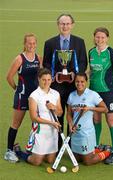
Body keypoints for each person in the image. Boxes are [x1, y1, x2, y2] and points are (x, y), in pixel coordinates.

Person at [43, 13, 87, 149]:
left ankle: (72, 146)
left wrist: (76, 74)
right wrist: (54, 74)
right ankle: (58, 146)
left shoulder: (79, 42)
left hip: (74, 85)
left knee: (73, 115)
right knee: (58, 114)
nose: (65, 26)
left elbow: (83, 62)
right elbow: (46, 63)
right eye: (62, 23)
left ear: (72, 25)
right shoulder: (50, 43)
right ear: (58, 25)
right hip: (57, 85)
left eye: (67, 23)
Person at [4, 33, 42, 163]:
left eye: (33, 43)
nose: (31, 45)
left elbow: (42, 76)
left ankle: (32, 148)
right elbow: (9, 77)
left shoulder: (38, 58)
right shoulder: (20, 59)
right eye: (29, 43)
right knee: (16, 123)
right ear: (24, 44)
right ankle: (9, 150)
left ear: (36, 44)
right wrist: (17, 88)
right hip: (22, 96)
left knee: (35, 123)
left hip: (35, 97)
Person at [88, 27, 113, 165]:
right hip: (93, 92)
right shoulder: (91, 51)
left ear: (107, 38)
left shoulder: (111, 53)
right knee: (96, 120)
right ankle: (96, 147)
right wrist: (84, 75)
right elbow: (91, 70)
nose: (100, 40)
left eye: (102, 37)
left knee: (111, 121)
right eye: (97, 37)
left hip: (107, 93)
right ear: (94, 37)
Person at [14, 68, 63, 166]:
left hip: (53, 132)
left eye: (49, 79)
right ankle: (19, 152)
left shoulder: (56, 94)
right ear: (39, 79)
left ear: (52, 79)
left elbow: (60, 113)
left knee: (50, 161)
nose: (46, 82)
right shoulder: (34, 95)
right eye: (44, 79)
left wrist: (54, 108)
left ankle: (38, 152)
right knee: (37, 162)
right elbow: (34, 118)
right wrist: (52, 123)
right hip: (40, 131)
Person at [67, 73, 110, 165]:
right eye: (77, 82)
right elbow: (69, 114)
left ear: (86, 82)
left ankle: (107, 151)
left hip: (86, 133)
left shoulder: (92, 94)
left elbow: (105, 109)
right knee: (77, 159)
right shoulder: (71, 95)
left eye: (82, 81)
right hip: (75, 133)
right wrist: (70, 124)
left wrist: (90, 108)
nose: (79, 84)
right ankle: (97, 149)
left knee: (87, 161)